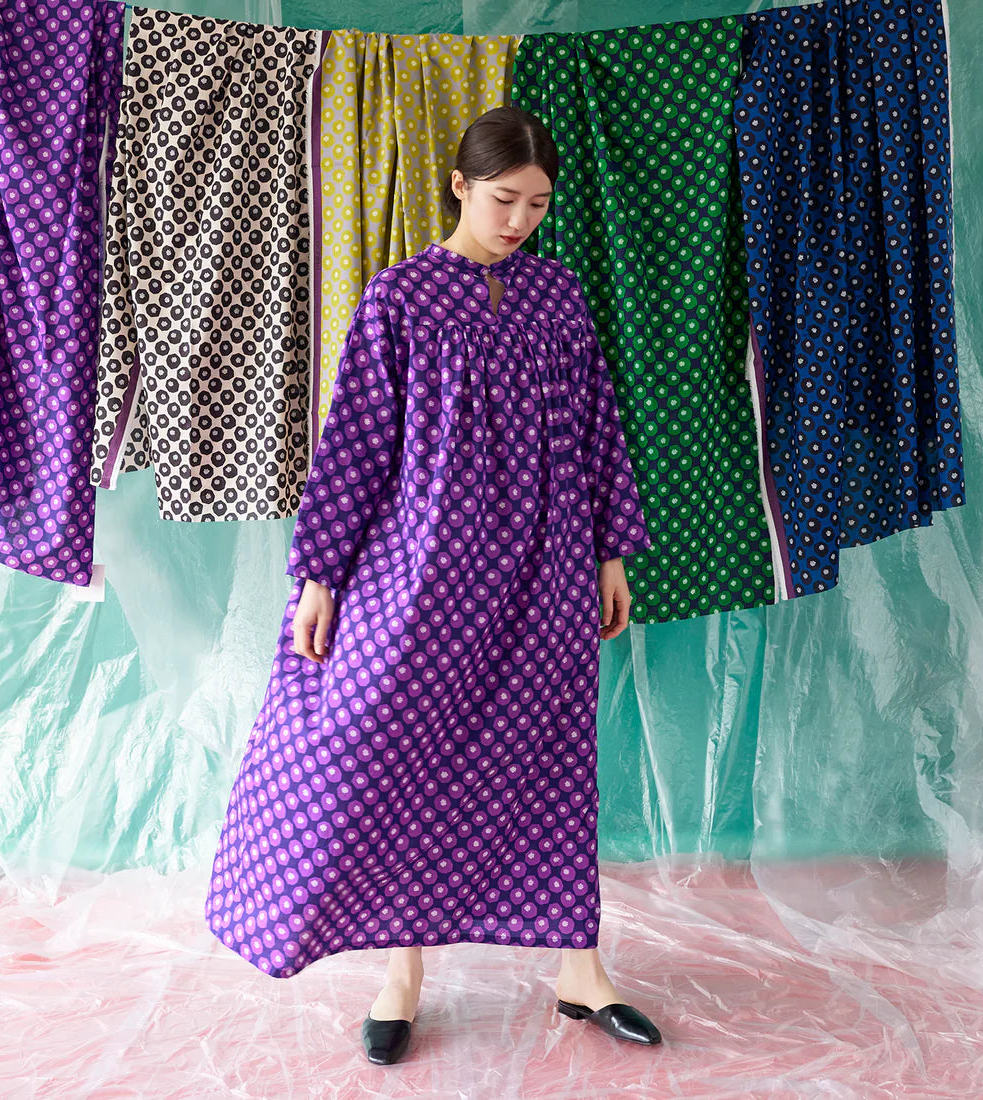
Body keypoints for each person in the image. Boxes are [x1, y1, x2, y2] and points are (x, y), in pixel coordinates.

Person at [205, 106, 662, 1065]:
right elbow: (357, 445)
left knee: (548, 761)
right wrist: (321, 574)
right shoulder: (400, 300)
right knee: (395, 760)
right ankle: (400, 976)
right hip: (421, 576)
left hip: (543, 573)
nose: (520, 220)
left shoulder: (559, 297)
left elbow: (595, 428)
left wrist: (611, 552)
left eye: (538, 204)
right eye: (504, 200)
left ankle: (578, 969)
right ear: (460, 186)